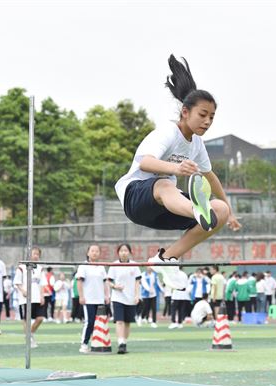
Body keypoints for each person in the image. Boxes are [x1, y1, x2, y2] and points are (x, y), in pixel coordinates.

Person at [113, 54, 241, 289]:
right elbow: (145, 163)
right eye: (202, 115)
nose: (207, 122)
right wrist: (176, 168)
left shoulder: (197, 145)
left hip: (164, 208)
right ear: (185, 112)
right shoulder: (167, 133)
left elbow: (210, 176)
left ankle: (166, 259)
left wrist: (229, 211)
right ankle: (198, 211)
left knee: (219, 211)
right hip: (136, 197)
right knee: (164, 184)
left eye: (211, 117)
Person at [107, 244, 141, 354]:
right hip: (118, 297)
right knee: (119, 321)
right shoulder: (114, 265)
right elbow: (108, 281)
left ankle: (124, 343)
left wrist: (137, 295)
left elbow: (137, 282)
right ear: (118, 253)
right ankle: (120, 343)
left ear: (130, 252)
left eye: (126, 250)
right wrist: (115, 286)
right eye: (121, 251)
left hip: (130, 298)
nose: (123, 252)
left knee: (127, 322)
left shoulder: (134, 265)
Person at [76, 244, 110, 353]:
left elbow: (105, 282)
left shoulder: (101, 267)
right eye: (92, 251)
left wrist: (107, 296)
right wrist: (81, 296)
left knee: (99, 323)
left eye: (97, 251)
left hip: (100, 300)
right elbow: (79, 282)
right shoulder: (83, 266)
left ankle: (97, 343)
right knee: (89, 322)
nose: (94, 253)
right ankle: (84, 343)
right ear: (88, 253)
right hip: (89, 300)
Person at [13, 246, 45, 348]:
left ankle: (29, 335)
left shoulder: (40, 269)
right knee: (26, 319)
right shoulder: (22, 267)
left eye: (37, 254)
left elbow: (42, 283)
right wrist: (23, 291)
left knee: (40, 318)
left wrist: (42, 296)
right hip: (25, 299)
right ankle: (29, 339)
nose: (35, 256)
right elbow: (17, 282)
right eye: (34, 253)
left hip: (37, 297)